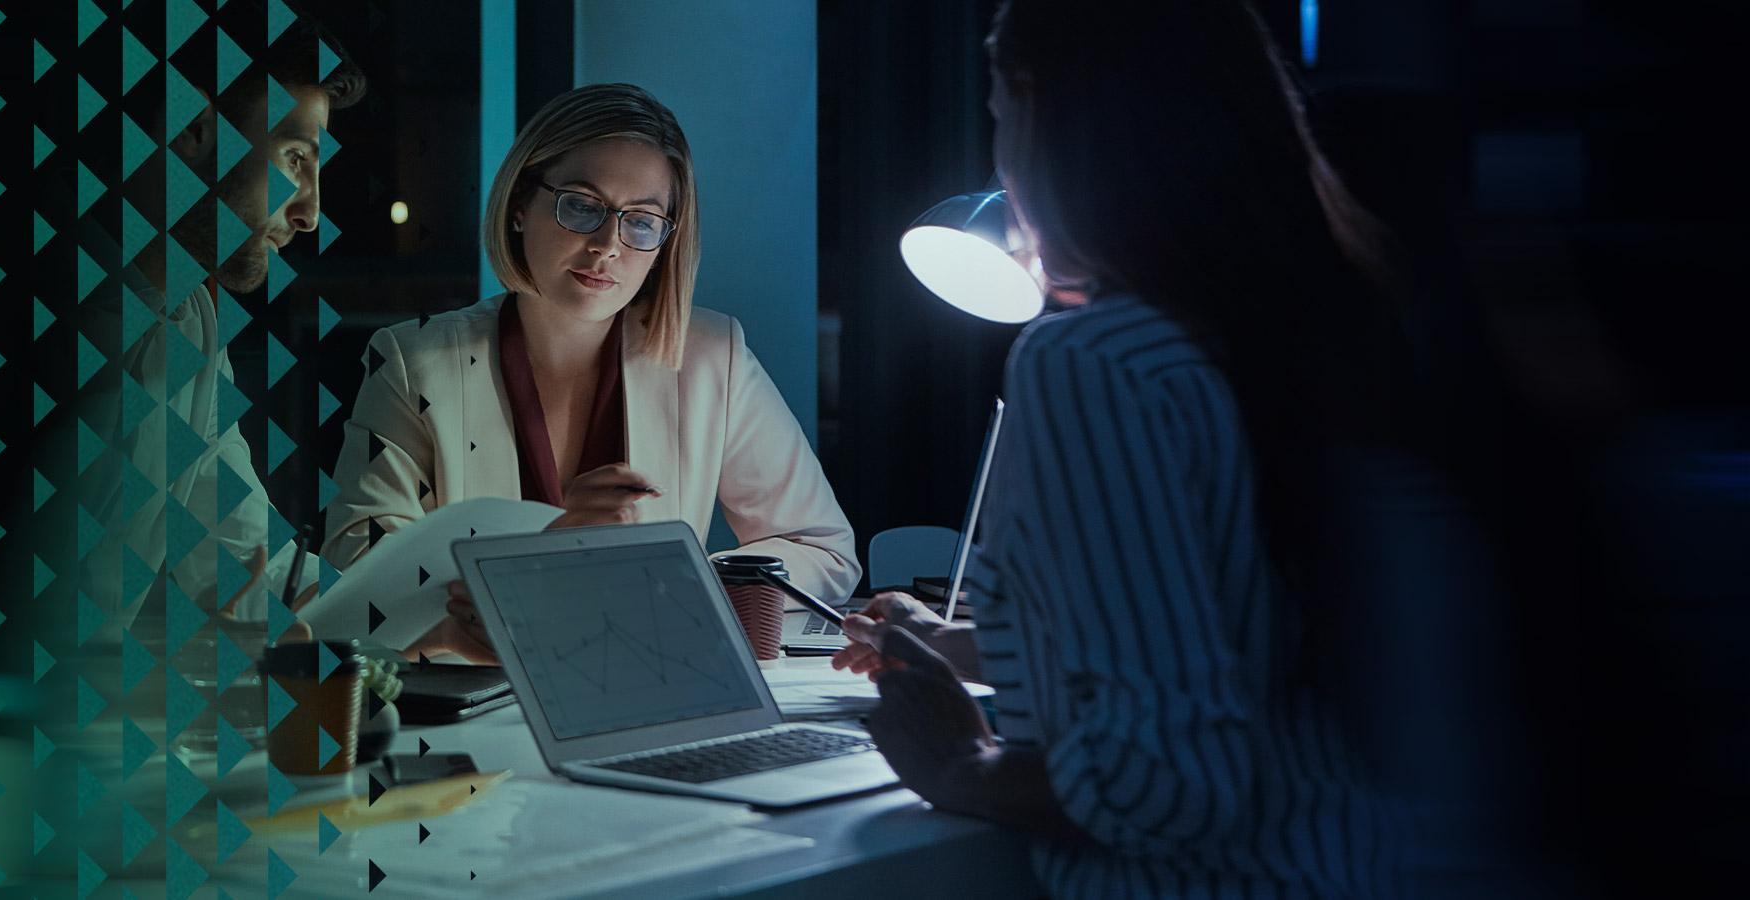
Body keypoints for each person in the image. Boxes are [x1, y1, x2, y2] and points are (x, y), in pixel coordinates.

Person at [835, 0, 1421, 896]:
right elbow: (1225, 627)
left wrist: (959, 762)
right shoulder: (1313, 327)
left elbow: (1166, 781)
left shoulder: (1095, 363)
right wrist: (963, 644)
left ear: (1043, 114)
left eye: (999, 118)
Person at [321, 83, 860, 662]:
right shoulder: (412, 361)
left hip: (650, 692)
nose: (608, 246)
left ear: (665, 243)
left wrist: (671, 582)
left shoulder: (711, 355)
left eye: (643, 221)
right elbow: (355, 576)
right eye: (581, 205)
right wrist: (536, 548)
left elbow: (822, 550)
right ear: (521, 204)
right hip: (474, 710)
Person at [77, 12, 366, 633]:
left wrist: (421, 611)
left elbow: (244, 558)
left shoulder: (193, 324)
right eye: (295, 159)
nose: (312, 212)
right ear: (194, 127)